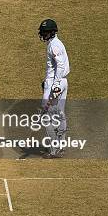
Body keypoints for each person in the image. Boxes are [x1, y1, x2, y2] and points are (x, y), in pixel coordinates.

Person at [38, 19, 70, 158]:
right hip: (62, 82)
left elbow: (60, 65)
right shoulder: (56, 43)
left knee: (47, 117)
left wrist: (54, 85)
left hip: (55, 84)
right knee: (60, 114)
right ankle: (61, 146)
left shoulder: (54, 46)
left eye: (45, 32)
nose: (43, 35)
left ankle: (54, 150)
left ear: (51, 32)